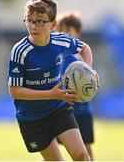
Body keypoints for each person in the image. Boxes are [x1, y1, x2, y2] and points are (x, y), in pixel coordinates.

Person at [8, 0, 95, 161]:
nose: (33, 26)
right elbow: (15, 91)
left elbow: (85, 48)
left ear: (53, 24)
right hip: (31, 117)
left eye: (40, 21)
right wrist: (51, 93)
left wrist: (87, 71)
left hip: (58, 109)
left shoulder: (61, 41)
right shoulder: (20, 51)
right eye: (30, 20)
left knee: (82, 155)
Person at [56, 10, 95, 160]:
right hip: (60, 110)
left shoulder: (79, 59)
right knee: (52, 150)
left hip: (82, 111)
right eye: (60, 30)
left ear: (77, 33)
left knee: (85, 149)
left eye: (67, 30)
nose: (63, 34)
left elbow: (89, 81)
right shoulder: (57, 56)